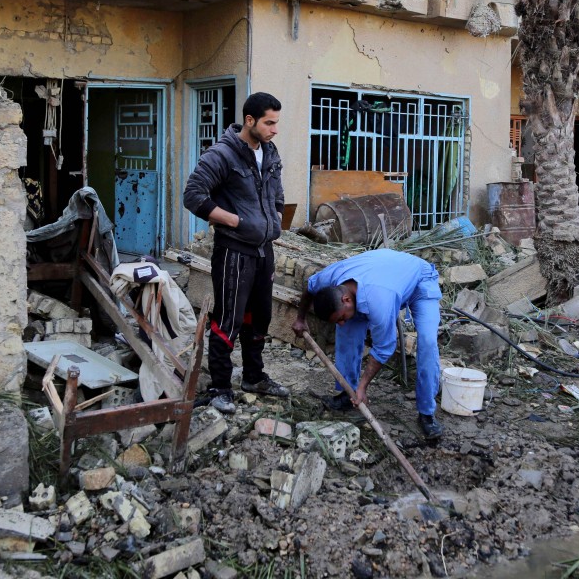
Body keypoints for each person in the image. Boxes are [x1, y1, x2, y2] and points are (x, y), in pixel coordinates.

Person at [182, 92, 288, 414]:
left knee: (260, 317)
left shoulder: (270, 153)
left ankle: (254, 378)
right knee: (228, 319)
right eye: (269, 123)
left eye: (277, 123)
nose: (274, 130)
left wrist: (275, 220)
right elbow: (193, 195)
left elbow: (277, 194)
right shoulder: (222, 155)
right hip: (234, 252)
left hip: (263, 250)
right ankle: (220, 387)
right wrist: (235, 221)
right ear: (250, 120)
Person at [292, 249, 444, 440]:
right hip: (384, 274)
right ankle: (346, 394)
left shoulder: (379, 301)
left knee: (428, 343)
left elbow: (384, 347)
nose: (340, 322)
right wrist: (300, 318)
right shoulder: (331, 277)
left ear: (346, 300)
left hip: (419, 281)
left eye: (339, 317)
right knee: (346, 332)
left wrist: (363, 386)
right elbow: (311, 286)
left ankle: (426, 414)